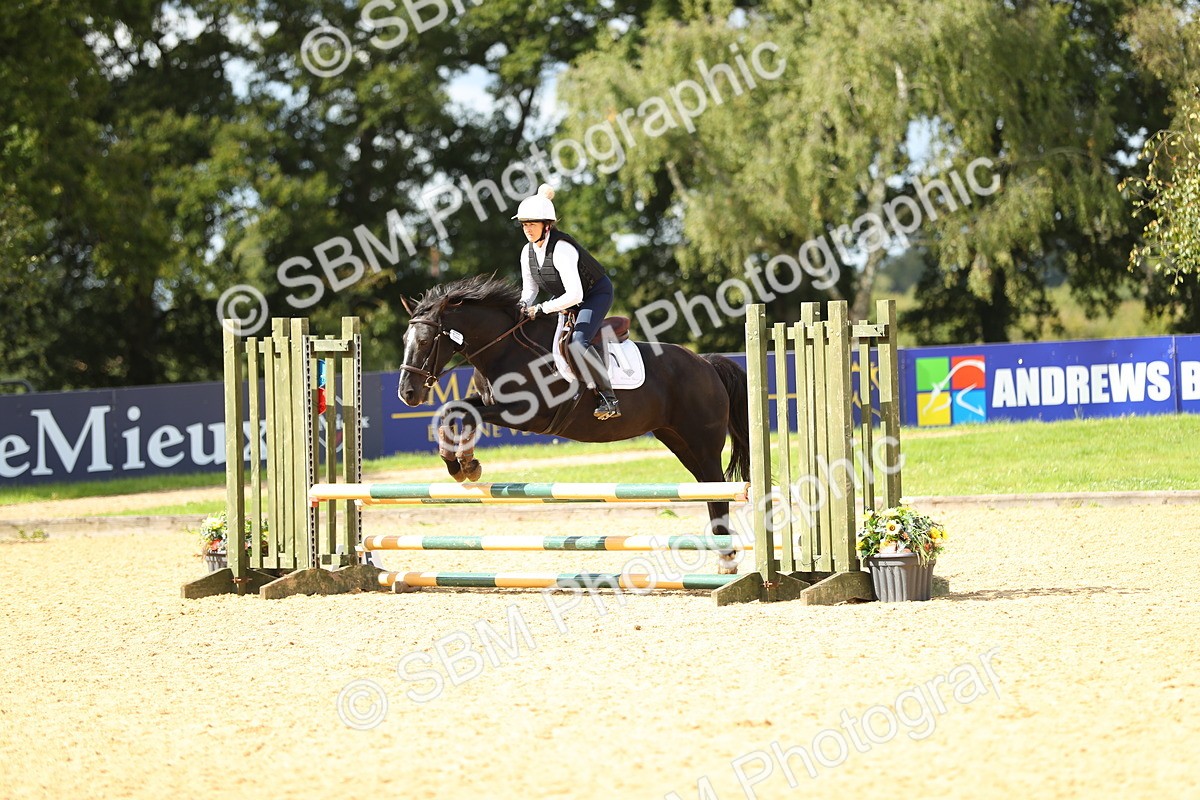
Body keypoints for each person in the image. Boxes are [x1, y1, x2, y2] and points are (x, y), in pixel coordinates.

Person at [513, 183, 621, 420]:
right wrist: (522, 304)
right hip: (565, 297)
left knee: (578, 342)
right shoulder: (527, 252)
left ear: (547, 225)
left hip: (593, 294)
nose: (527, 229)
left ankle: (609, 398)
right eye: (524, 224)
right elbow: (530, 288)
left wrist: (541, 308)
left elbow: (576, 295)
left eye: (532, 223)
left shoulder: (561, 248)